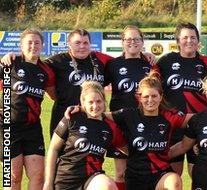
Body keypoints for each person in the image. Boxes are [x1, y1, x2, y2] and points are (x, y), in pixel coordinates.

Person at [0, 29, 156, 137]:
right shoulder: (56, 61)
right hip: (63, 117)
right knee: (61, 161)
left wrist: (144, 55)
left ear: (90, 44)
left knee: (90, 162)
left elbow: (125, 61)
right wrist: (13, 57)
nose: (82, 46)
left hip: (93, 116)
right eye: (77, 43)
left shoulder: (101, 60)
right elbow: (33, 66)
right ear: (69, 44)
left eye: (85, 43)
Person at [109, 71, 191, 190]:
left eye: (154, 96)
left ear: (161, 97)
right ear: (139, 98)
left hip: (161, 174)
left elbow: (197, 119)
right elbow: (100, 115)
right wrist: (79, 109)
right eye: (146, 96)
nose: (150, 100)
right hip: (135, 175)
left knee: (175, 181)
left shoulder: (169, 117)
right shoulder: (129, 115)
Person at [153, 22, 207, 175]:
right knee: (173, 177)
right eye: (185, 37)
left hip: (200, 128)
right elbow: (151, 85)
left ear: (198, 41)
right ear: (178, 41)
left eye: (193, 37)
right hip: (172, 128)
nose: (189, 41)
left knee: (199, 178)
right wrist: (146, 55)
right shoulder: (165, 61)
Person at [44, 81, 123, 190]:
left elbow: (126, 149)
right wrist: (48, 183)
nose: (95, 106)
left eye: (99, 101)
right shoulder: (72, 118)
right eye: (90, 102)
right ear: (83, 102)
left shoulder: (111, 127)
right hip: (66, 179)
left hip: (92, 179)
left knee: (108, 186)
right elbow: (53, 149)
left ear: (104, 102)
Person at [2, 29, 55, 190]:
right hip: (8, 127)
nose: (33, 46)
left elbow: (54, 96)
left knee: (38, 177)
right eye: (29, 43)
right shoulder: (10, 64)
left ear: (42, 46)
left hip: (33, 128)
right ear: (21, 46)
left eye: (37, 42)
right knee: (13, 177)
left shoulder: (46, 71)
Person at [103, 25, 152, 190]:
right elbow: (97, 88)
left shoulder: (150, 65)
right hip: (120, 124)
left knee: (145, 171)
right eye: (128, 39)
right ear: (122, 42)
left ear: (142, 41)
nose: (133, 42)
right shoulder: (112, 65)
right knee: (120, 173)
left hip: (144, 123)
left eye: (136, 39)